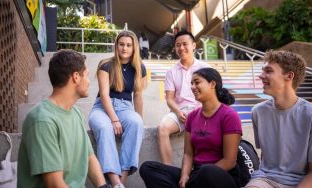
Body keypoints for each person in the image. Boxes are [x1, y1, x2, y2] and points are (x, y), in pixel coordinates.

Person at [17, 49, 107, 188]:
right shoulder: (42, 120)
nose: (89, 82)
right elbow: (54, 183)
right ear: (76, 77)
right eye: (87, 75)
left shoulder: (76, 113)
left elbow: (89, 158)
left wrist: (103, 186)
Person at [140, 67, 243, 188]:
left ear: (212, 84)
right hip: (196, 174)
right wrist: (184, 176)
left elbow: (229, 161)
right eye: (191, 83)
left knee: (207, 171)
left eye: (197, 82)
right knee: (148, 168)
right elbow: (188, 154)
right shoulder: (192, 117)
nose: (193, 87)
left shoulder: (229, 116)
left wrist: (198, 178)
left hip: (220, 175)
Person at [245, 50, 312, 188]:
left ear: (289, 76)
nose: (261, 76)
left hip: (307, 181)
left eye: (268, 71)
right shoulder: (258, 112)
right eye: (262, 71)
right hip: (267, 179)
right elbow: (266, 160)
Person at [88, 30, 147, 188]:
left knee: (136, 123)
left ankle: (122, 182)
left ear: (134, 47)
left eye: (128, 45)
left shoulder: (140, 68)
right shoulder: (106, 65)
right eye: (121, 44)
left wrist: (139, 119)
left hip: (126, 108)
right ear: (116, 45)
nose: (124, 48)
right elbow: (105, 95)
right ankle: (114, 182)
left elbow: (138, 96)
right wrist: (114, 119)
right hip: (102, 107)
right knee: (104, 127)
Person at [157, 30, 210, 165]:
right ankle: (167, 171)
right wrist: (178, 112)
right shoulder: (171, 71)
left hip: (201, 110)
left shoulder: (205, 68)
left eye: (185, 44)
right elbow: (169, 98)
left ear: (193, 45)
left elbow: (211, 95)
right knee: (163, 128)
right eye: (178, 45)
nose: (181, 48)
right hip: (179, 111)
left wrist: (200, 112)